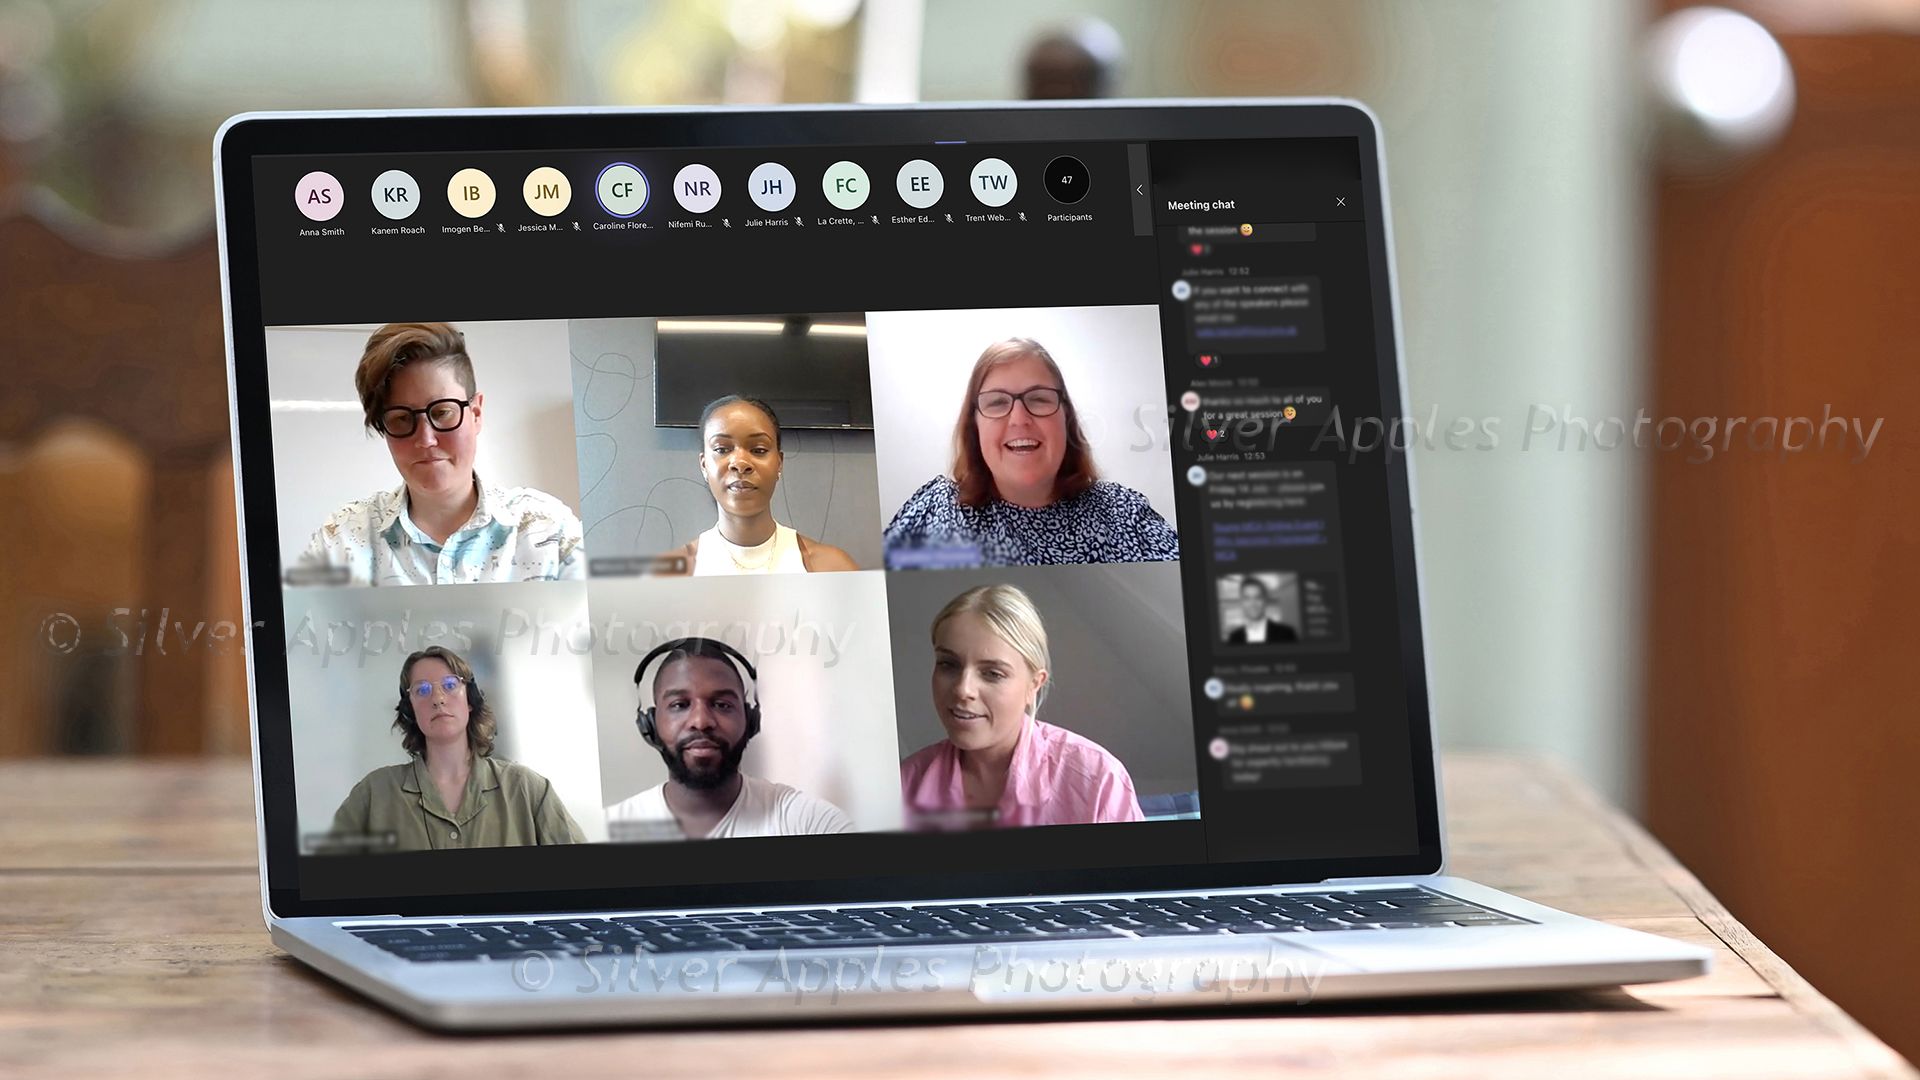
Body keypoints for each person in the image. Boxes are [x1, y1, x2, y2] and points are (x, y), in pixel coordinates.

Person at [299, 322, 585, 585]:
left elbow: (603, 633)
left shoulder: (550, 530)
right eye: (401, 418)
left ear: (475, 413)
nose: (425, 439)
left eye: (443, 412)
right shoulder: (340, 540)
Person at [883, 338, 1179, 567]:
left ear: (1066, 418)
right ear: (974, 426)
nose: (1019, 418)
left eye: (1038, 399)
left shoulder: (1125, 515)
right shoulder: (931, 510)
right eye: (997, 402)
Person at [899, 584, 1143, 829]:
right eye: (948, 664)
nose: (963, 689)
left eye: (993, 673)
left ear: (1034, 685)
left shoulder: (1097, 780)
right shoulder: (903, 785)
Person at [327, 646, 585, 852]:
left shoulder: (528, 790)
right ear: (411, 710)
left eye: (450, 685)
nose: (438, 698)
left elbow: (589, 881)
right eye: (423, 690)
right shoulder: (373, 794)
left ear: (470, 701)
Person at [605, 637, 853, 840]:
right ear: (650, 723)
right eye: (679, 704)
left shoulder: (810, 823)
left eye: (722, 704)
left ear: (750, 720)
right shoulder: (608, 830)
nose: (701, 721)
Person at [667, 395, 858, 575]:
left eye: (758, 450)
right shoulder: (669, 576)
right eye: (722, 449)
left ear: (779, 463)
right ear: (704, 465)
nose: (740, 463)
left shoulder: (832, 568)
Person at [1225, 576, 1298, 644]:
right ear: (1241, 602)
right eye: (1247, 598)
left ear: (1265, 601)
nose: (1253, 604)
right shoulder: (1234, 638)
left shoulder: (1287, 634)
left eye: (1258, 597)